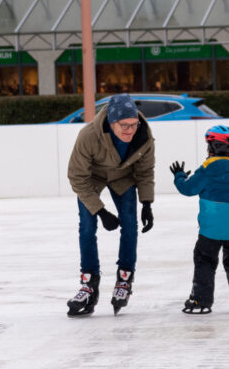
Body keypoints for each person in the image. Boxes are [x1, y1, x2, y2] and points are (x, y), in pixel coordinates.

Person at [66, 94, 155, 317]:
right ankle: (89, 283)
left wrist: (146, 202)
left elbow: (144, 171)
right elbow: (77, 177)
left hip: (123, 176)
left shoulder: (143, 135)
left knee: (129, 223)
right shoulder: (89, 135)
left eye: (133, 124)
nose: (130, 130)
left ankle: (124, 278)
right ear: (111, 122)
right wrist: (101, 211)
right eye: (124, 125)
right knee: (87, 226)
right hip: (93, 178)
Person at [170, 125, 229, 314]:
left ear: (212, 147)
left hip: (212, 228)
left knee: (205, 259)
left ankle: (201, 300)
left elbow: (188, 189)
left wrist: (179, 176)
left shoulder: (206, 170)